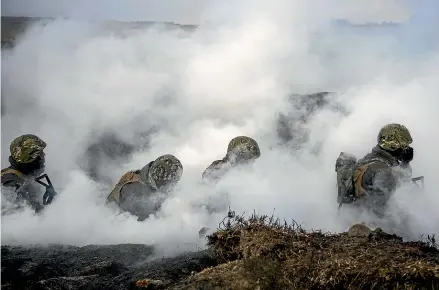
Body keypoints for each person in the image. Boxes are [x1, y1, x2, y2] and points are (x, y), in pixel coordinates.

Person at [335, 123, 414, 217]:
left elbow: (400, 179)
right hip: (368, 225)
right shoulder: (383, 171)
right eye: (404, 146)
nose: (406, 149)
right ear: (392, 146)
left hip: (352, 217)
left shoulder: (369, 160)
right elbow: (380, 210)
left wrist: (405, 163)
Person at [107, 154, 183, 221]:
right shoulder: (137, 197)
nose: (171, 186)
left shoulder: (147, 174)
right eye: (167, 183)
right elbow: (144, 229)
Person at [1, 134, 57, 213]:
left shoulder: (22, 178)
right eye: (39, 154)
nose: (43, 156)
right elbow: (21, 218)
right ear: (28, 159)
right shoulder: (11, 183)